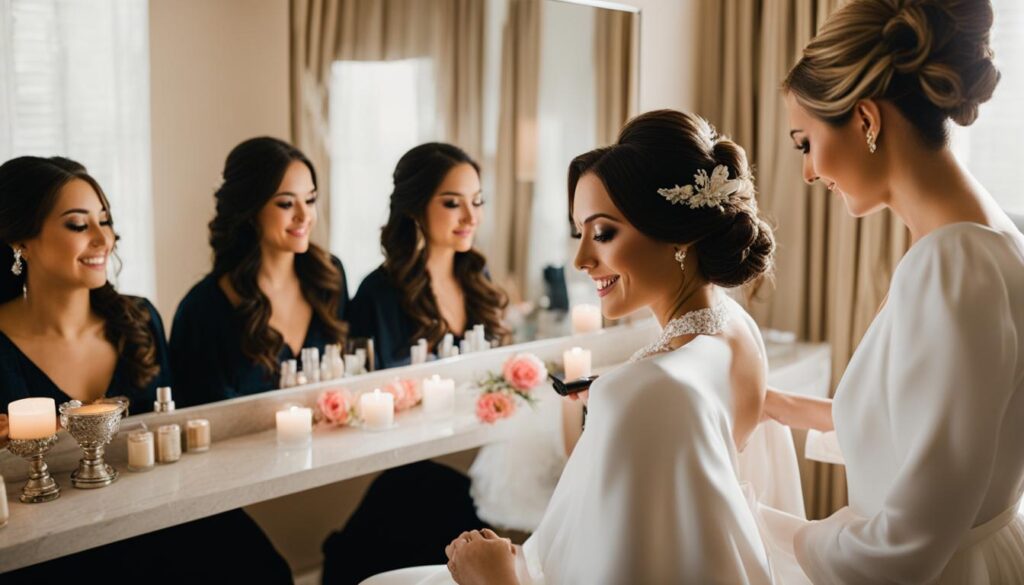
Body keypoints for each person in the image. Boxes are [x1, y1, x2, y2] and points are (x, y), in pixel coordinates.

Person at [768, 0, 1024, 582]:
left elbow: (907, 543)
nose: (807, 173)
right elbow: (930, 437)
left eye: (804, 143)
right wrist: (782, 406)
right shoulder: (988, 237)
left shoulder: (953, 266)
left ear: (865, 120)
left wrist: (767, 526)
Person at [170, 137, 349, 406]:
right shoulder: (202, 311)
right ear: (251, 209)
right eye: (286, 204)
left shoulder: (329, 277)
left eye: (310, 199)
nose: (304, 215)